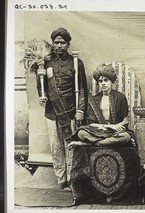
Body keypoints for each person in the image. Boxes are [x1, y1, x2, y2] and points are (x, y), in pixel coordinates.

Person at [37, 27, 88, 189]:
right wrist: (41, 96)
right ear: (52, 43)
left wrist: (80, 110)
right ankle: (60, 178)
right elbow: (41, 85)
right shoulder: (45, 62)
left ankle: (71, 177)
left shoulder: (75, 62)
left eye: (62, 43)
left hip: (70, 111)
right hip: (52, 112)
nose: (59, 45)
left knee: (70, 145)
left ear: (68, 44)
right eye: (56, 42)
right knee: (56, 145)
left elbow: (82, 89)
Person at [68, 64, 136, 147]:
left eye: (106, 80)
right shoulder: (93, 100)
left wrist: (115, 127)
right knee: (81, 133)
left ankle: (88, 144)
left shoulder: (120, 97)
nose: (103, 83)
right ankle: (105, 142)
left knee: (126, 137)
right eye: (100, 81)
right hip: (99, 131)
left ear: (111, 81)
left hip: (115, 132)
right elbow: (91, 124)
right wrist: (108, 127)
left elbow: (125, 121)